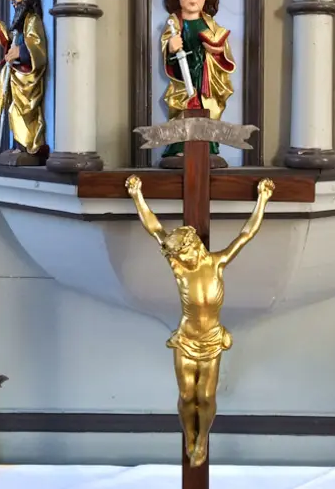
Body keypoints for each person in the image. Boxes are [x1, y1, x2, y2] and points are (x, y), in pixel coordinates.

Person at [125, 173, 275, 467]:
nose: (184, 258)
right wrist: (136, 195)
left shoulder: (217, 263)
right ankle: (189, 436)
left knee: (205, 396)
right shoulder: (179, 268)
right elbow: (154, 228)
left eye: (186, 252)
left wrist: (263, 199)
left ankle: (203, 438)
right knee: (185, 396)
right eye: (180, 255)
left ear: (194, 244)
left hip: (212, 339)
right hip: (186, 339)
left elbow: (246, 234)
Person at [160, 0, 235, 162]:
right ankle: (179, 147)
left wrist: (216, 52)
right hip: (183, 78)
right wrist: (170, 47)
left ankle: (207, 147)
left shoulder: (212, 26)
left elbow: (225, 53)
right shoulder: (174, 23)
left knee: (206, 110)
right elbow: (167, 49)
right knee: (183, 110)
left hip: (206, 78)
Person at [0, 0, 48, 164]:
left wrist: (21, 51)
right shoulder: (20, 22)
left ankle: (29, 147)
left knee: (25, 112)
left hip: (27, 80)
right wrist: (4, 41)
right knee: (13, 111)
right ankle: (17, 146)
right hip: (16, 76)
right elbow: (15, 46)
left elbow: (37, 48)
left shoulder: (33, 20)